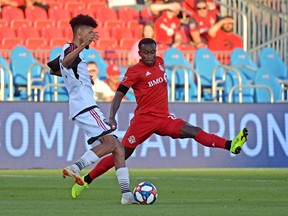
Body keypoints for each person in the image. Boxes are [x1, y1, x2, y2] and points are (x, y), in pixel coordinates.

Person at [70, 38, 249, 198]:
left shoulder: (161, 63)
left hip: (164, 119)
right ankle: (86, 180)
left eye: (152, 52)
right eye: (146, 53)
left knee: (194, 131)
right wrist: (112, 117)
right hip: (143, 121)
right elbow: (118, 94)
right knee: (122, 154)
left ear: (156, 52)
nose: (150, 56)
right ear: (139, 54)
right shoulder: (134, 71)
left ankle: (230, 144)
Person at [47, 14, 136, 204]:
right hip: (85, 105)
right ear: (79, 32)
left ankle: (126, 194)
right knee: (111, 143)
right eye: (89, 32)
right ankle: (77, 167)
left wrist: (84, 78)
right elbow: (64, 63)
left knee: (118, 147)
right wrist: (80, 47)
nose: (91, 36)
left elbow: (54, 69)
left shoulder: (71, 53)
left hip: (81, 105)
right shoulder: (70, 49)